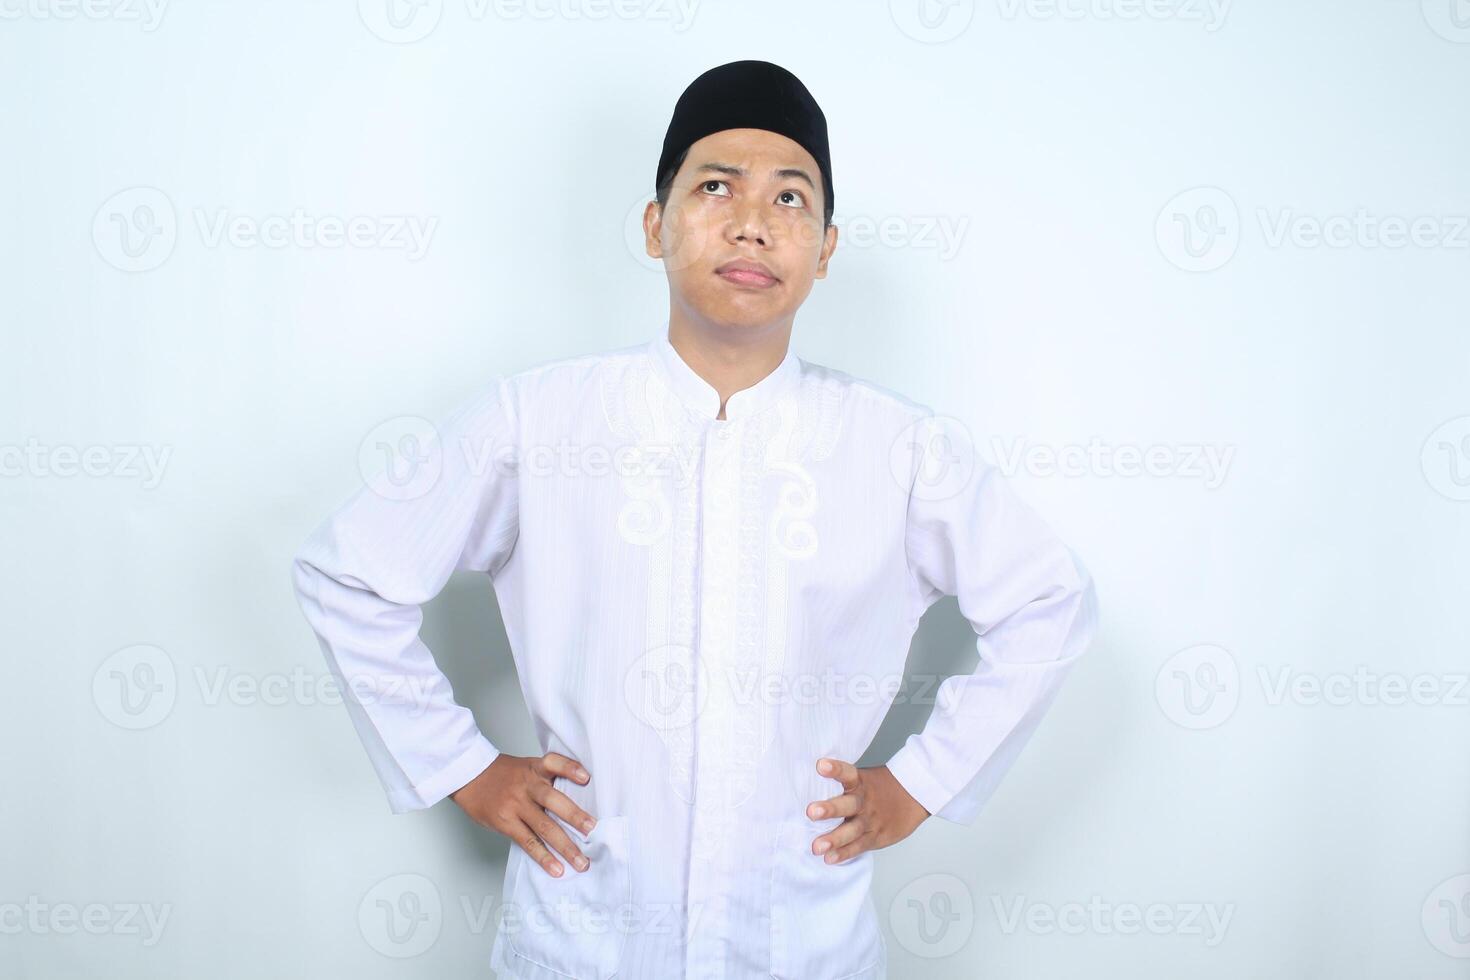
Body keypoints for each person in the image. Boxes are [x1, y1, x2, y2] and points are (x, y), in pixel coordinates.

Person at [291, 59, 1099, 980]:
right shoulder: (540, 421)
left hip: (803, 941)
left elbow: (1049, 602)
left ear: (826, 247)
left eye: (791, 197)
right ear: (655, 223)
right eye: (715, 185)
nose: (753, 219)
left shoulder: (898, 450)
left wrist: (919, 784)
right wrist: (463, 767)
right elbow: (349, 572)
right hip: (582, 934)